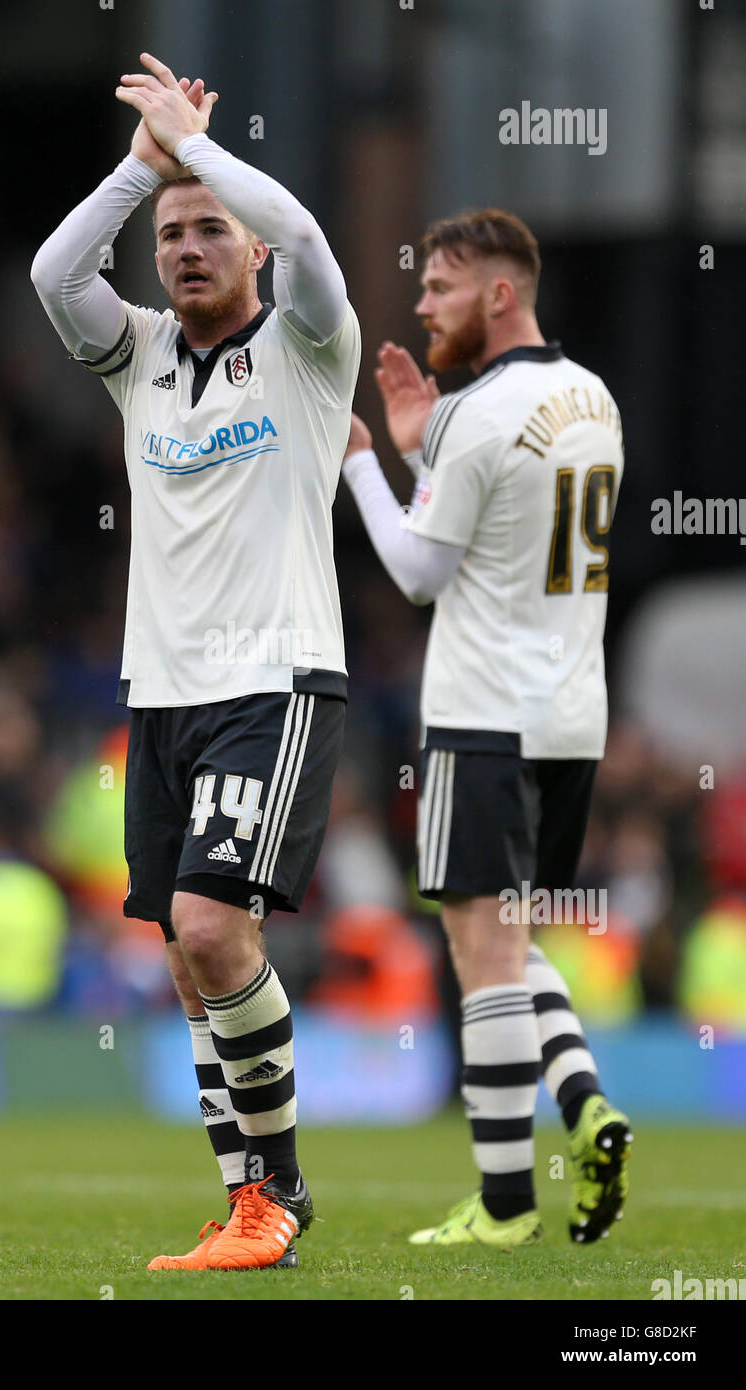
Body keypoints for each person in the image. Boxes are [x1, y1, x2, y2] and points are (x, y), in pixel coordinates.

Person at [31, 54, 359, 1270]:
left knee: (216, 930)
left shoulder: (312, 349)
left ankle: (277, 1196)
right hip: (161, 689)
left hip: (273, 676)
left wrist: (202, 153)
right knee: (182, 951)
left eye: (211, 229)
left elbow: (312, 231)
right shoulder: (142, 359)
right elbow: (55, 272)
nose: (186, 246)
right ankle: (241, 1201)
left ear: (252, 248)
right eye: (171, 234)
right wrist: (143, 167)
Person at [341, 208, 631, 1247]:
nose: (420, 303)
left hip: (481, 713)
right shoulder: (590, 395)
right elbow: (502, 529)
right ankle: (585, 1102)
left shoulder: (481, 408)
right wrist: (429, 455)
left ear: (499, 294)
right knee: (507, 940)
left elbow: (422, 572)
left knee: (480, 952)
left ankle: (506, 1204)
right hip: (570, 717)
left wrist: (367, 460)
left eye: (440, 285)